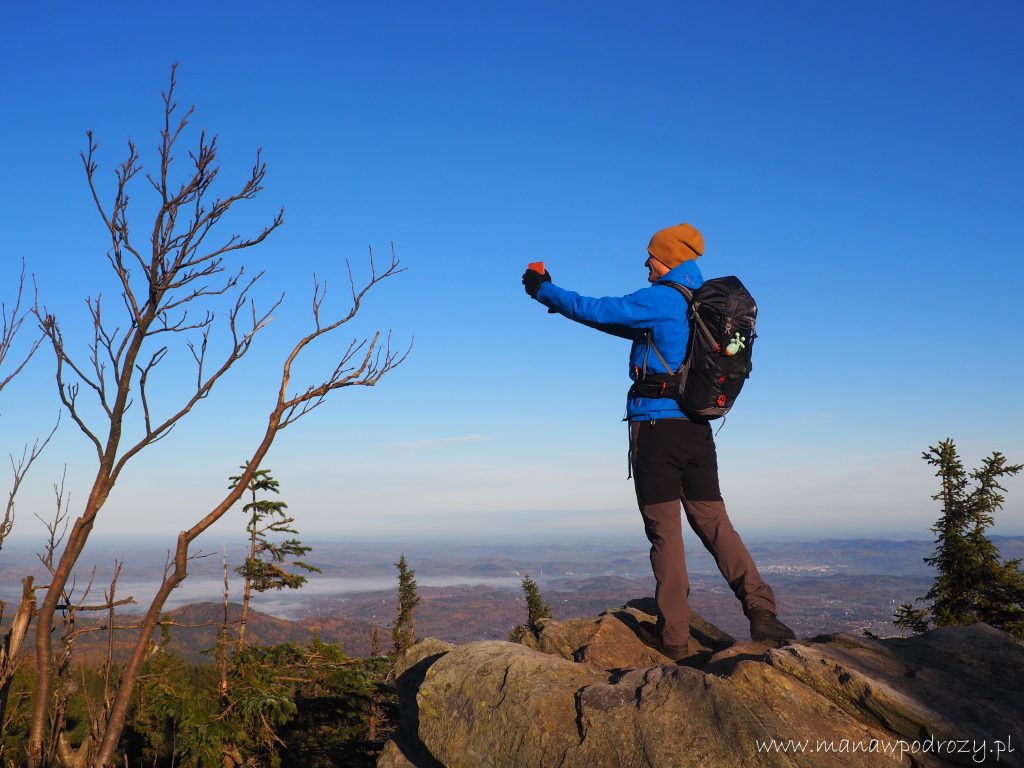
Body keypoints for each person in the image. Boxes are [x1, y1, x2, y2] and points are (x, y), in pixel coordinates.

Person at [522, 222, 795, 659]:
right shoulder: (703, 304)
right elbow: (619, 324)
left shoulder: (661, 298)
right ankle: (763, 612)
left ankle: (674, 638)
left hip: (655, 432)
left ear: (668, 257)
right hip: (698, 432)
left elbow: (598, 309)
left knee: (665, 535)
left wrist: (544, 290)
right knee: (716, 524)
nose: (646, 262)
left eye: (651, 255)